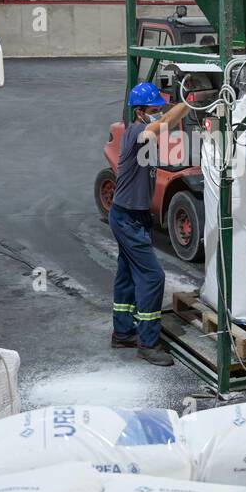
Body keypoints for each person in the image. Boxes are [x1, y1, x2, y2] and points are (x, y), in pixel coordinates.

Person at [109, 81, 191, 366]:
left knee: (127, 273)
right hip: (126, 218)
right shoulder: (136, 133)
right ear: (141, 112)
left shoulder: (146, 138)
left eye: (159, 108)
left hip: (133, 216)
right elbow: (166, 122)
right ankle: (147, 341)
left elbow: (166, 122)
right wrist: (190, 100)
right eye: (154, 109)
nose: (159, 113)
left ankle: (122, 333)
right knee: (153, 277)